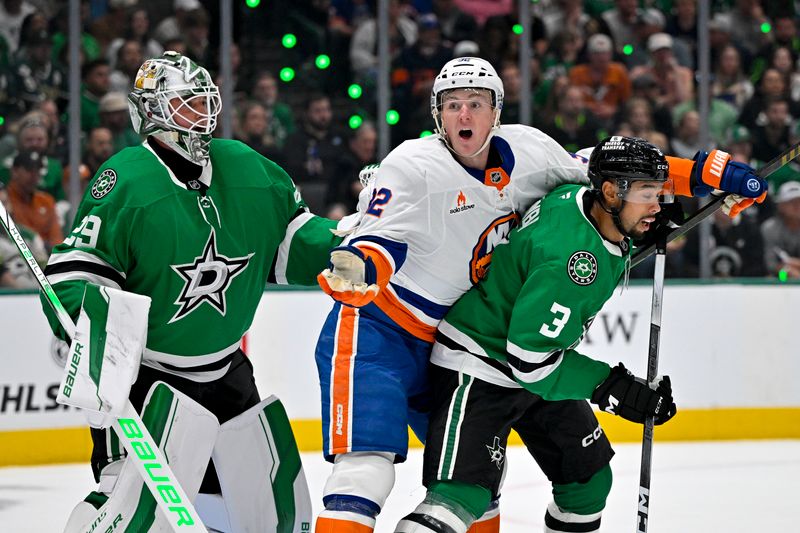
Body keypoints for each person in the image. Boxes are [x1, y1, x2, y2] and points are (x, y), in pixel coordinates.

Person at [313, 56, 767, 533]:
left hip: (495, 341)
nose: (464, 116)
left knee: (553, 481)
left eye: (476, 103)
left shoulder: (533, 153)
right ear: (436, 114)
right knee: (401, 477)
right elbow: (377, 241)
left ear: (497, 110)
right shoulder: (414, 166)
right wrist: (611, 387)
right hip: (435, 344)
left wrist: (702, 178)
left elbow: (602, 168)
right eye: (452, 106)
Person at [39, 51, 352, 531]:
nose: (202, 112)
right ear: (151, 112)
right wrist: (87, 326)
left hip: (228, 373)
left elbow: (291, 241)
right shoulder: (125, 179)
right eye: (185, 103)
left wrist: (346, 243)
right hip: (148, 379)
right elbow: (76, 272)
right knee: (130, 505)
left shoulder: (244, 165)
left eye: (204, 100)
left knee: (273, 510)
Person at [394, 136, 680, 533]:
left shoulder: (577, 196)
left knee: (587, 482)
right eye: (648, 194)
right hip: (481, 364)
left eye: (659, 193)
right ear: (612, 191)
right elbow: (531, 361)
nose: (657, 205)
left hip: (533, 362)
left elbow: (537, 357)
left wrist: (644, 222)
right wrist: (610, 387)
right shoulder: (574, 264)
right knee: (463, 496)